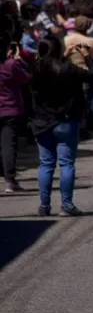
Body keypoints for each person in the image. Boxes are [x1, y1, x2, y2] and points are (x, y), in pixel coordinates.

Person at [30, 36, 93, 217]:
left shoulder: (35, 68)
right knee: (66, 164)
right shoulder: (68, 68)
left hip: (42, 122)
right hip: (66, 121)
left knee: (46, 164)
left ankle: (44, 206)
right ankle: (66, 205)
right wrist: (85, 55)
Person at [0, 32, 30, 193]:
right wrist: (18, 60)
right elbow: (26, 78)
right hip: (10, 109)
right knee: (9, 145)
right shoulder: (10, 65)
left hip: (7, 110)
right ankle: (10, 180)